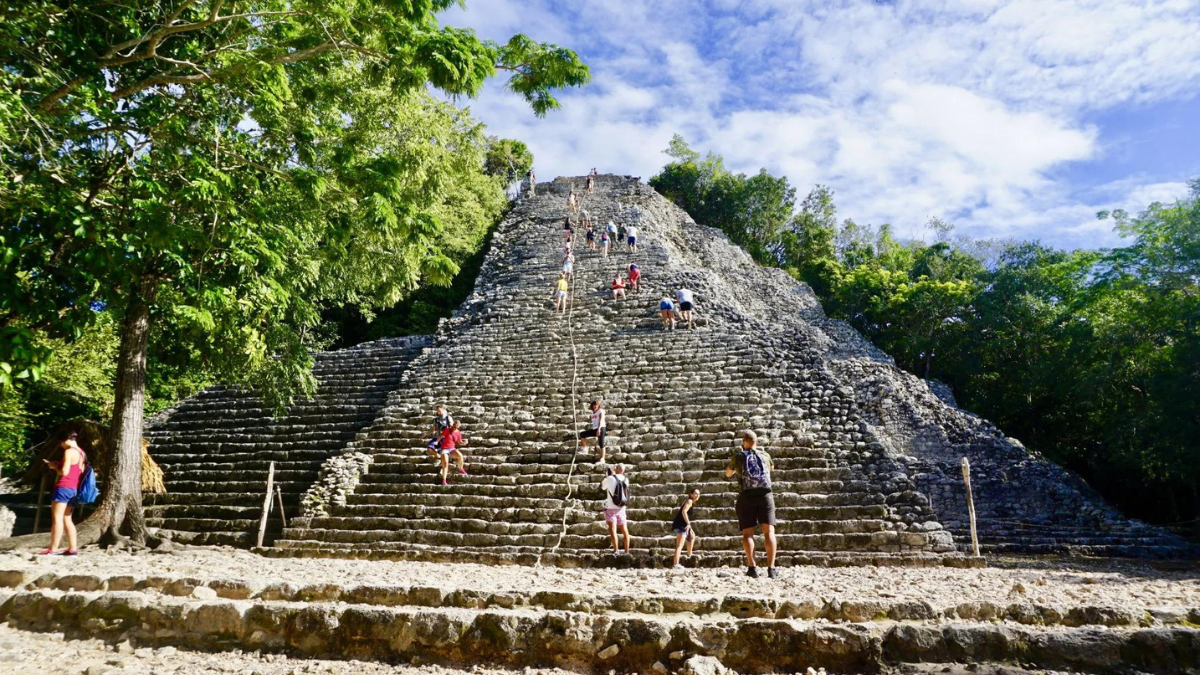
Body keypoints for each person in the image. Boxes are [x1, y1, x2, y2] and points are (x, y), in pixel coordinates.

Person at [725, 430, 778, 578]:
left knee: (748, 533)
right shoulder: (765, 456)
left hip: (746, 496)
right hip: (765, 495)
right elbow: (771, 469)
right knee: (769, 532)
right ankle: (771, 569)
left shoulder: (739, 457)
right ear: (757, 442)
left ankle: (752, 568)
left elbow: (728, 473)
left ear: (744, 442)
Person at [40, 432, 86, 556]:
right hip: (73, 489)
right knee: (67, 518)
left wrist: (54, 467)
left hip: (63, 487)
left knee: (57, 519)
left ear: (66, 440)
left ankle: (53, 549)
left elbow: (64, 472)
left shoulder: (69, 452)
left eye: (61, 442)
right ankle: (72, 548)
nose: (61, 445)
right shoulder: (82, 453)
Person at [601, 464, 631, 556]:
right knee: (624, 529)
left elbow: (602, 486)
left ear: (617, 469)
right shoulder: (626, 479)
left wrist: (607, 476)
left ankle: (616, 551)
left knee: (613, 530)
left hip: (611, 507)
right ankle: (626, 552)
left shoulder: (610, 478)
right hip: (621, 507)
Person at [672, 488, 701, 568]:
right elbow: (683, 512)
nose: (697, 495)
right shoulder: (689, 501)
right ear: (691, 494)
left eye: (698, 494)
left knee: (692, 536)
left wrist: (689, 525)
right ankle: (676, 564)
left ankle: (689, 554)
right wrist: (688, 523)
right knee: (679, 545)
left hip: (684, 523)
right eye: (695, 493)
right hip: (681, 524)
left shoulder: (690, 501)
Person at [436, 420, 468, 485]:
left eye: (456, 427)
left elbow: (459, 442)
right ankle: (444, 480)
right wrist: (437, 442)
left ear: (458, 427)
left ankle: (461, 469)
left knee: (460, 456)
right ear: (453, 425)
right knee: (445, 464)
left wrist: (464, 443)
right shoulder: (447, 430)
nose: (454, 428)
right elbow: (441, 436)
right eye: (454, 426)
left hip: (452, 448)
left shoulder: (458, 433)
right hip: (444, 448)